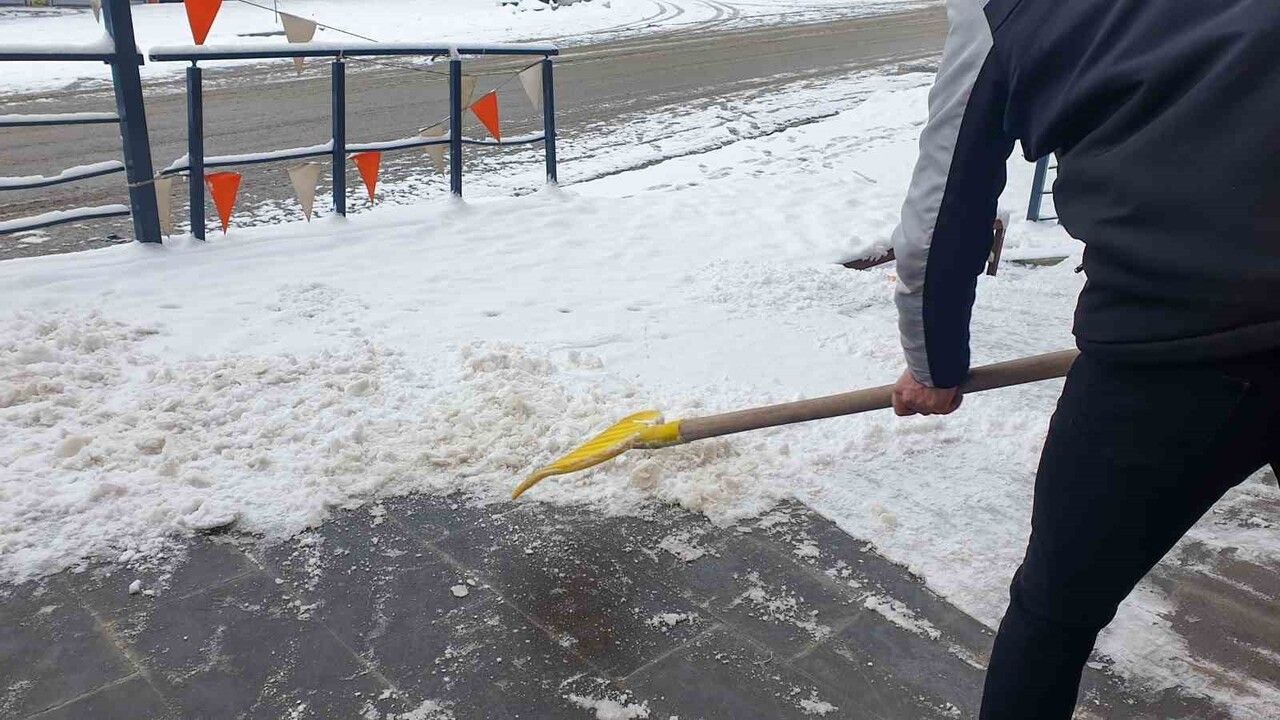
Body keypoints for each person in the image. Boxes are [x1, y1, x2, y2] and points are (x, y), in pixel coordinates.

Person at [885, 0, 1279, 717]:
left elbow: (943, 215)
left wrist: (934, 362)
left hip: (1163, 361)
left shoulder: (1001, 10)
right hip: (1170, 345)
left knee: (1053, 615)